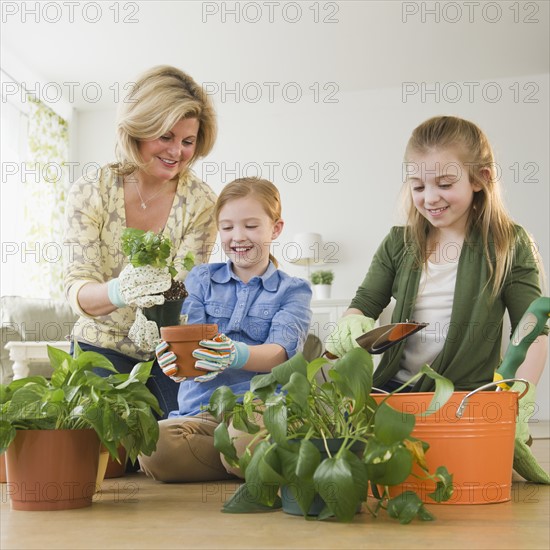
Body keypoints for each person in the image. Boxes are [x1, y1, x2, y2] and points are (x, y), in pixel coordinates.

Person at [326, 115, 549, 483]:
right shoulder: (398, 243)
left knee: (462, 474)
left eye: (445, 184)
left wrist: (516, 401)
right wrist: (352, 322)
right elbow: (365, 303)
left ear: (481, 179)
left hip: (466, 399)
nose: (429, 198)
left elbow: (533, 331)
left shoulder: (508, 243)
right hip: (395, 392)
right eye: (417, 186)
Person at [63, 66, 218, 419]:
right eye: (165, 136)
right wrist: (120, 291)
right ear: (138, 130)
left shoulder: (201, 202)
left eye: (188, 141)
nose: (177, 152)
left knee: (182, 442)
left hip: (167, 350)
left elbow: (185, 288)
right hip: (101, 342)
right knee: (111, 448)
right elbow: (77, 288)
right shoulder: (92, 190)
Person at [138, 177, 313, 482]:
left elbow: (279, 354)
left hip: (256, 407)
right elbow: (186, 341)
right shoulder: (200, 279)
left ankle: (236, 453)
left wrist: (233, 354)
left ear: (276, 228)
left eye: (251, 226)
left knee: (243, 435)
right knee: (154, 446)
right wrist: (174, 362)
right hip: (201, 413)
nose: (238, 237)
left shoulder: (293, 290)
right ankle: (238, 460)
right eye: (228, 227)